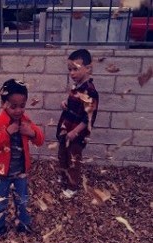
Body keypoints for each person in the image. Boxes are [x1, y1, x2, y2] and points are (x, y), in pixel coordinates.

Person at [0, 79, 44, 236]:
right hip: (1, 173)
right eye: (13, 106)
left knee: (22, 201)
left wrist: (31, 133)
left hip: (20, 173)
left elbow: (40, 139)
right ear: (4, 103)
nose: (18, 110)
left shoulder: (25, 121)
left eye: (22, 106)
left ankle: (23, 225)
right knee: (0, 202)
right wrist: (7, 132)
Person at [56, 49, 99, 198]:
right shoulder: (76, 86)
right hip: (66, 128)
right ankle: (63, 175)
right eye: (70, 70)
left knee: (73, 158)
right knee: (62, 154)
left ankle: (72, 186)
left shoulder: (90, 92)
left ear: (88, 68)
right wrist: (64, 103)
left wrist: (75, 132)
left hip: (76, 133)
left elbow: (88, 117)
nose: (72, 73)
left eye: (76, 69)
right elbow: (72, 102)